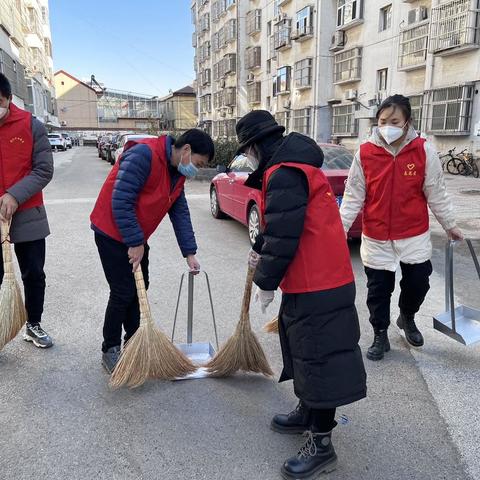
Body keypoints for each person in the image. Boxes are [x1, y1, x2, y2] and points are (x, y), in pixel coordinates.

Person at [239, 110, 366, 479]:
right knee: (301, 349)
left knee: (318, 359)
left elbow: (286, 236)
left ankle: (322, 444)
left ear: (255, 146)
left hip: (319, 281)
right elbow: (282, 223)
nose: (248, 159)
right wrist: (261, 245)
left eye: (247, 151)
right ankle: (307, 411)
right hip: (313, 278)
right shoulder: (292, 167)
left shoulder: (285, 173)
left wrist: (264, 279)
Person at [340, 94, 463, 362]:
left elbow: (436, 192)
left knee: (418, 282)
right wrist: (338, 230)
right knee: (378, 289)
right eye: (383, 121)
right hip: (376, 234)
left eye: (394, 120)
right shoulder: (365, 152)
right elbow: (353, 195)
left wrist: (450, 224)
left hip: (413, 232)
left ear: (407, 122)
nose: (388, 126)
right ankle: (380, 332)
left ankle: (407, 316)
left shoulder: (423, 150)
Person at [90, 129, 214, 373]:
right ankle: (110, 348)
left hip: (135, 234)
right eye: (198, 163)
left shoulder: (177, 172)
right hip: (111, 232)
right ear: (186, 150)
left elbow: (180, 212)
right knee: (123, 291)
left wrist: (189, 252)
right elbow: (121, 200)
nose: (196, 170)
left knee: (140, 288)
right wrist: (136, 242)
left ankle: (134, 343)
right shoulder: (144, 155)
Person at [0, 73, 54, 348]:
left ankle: (33, 324)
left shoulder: (31, 125)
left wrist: (14, 195)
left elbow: (44, 170)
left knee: (34, 273)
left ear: (9, 99)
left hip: (28, 212)